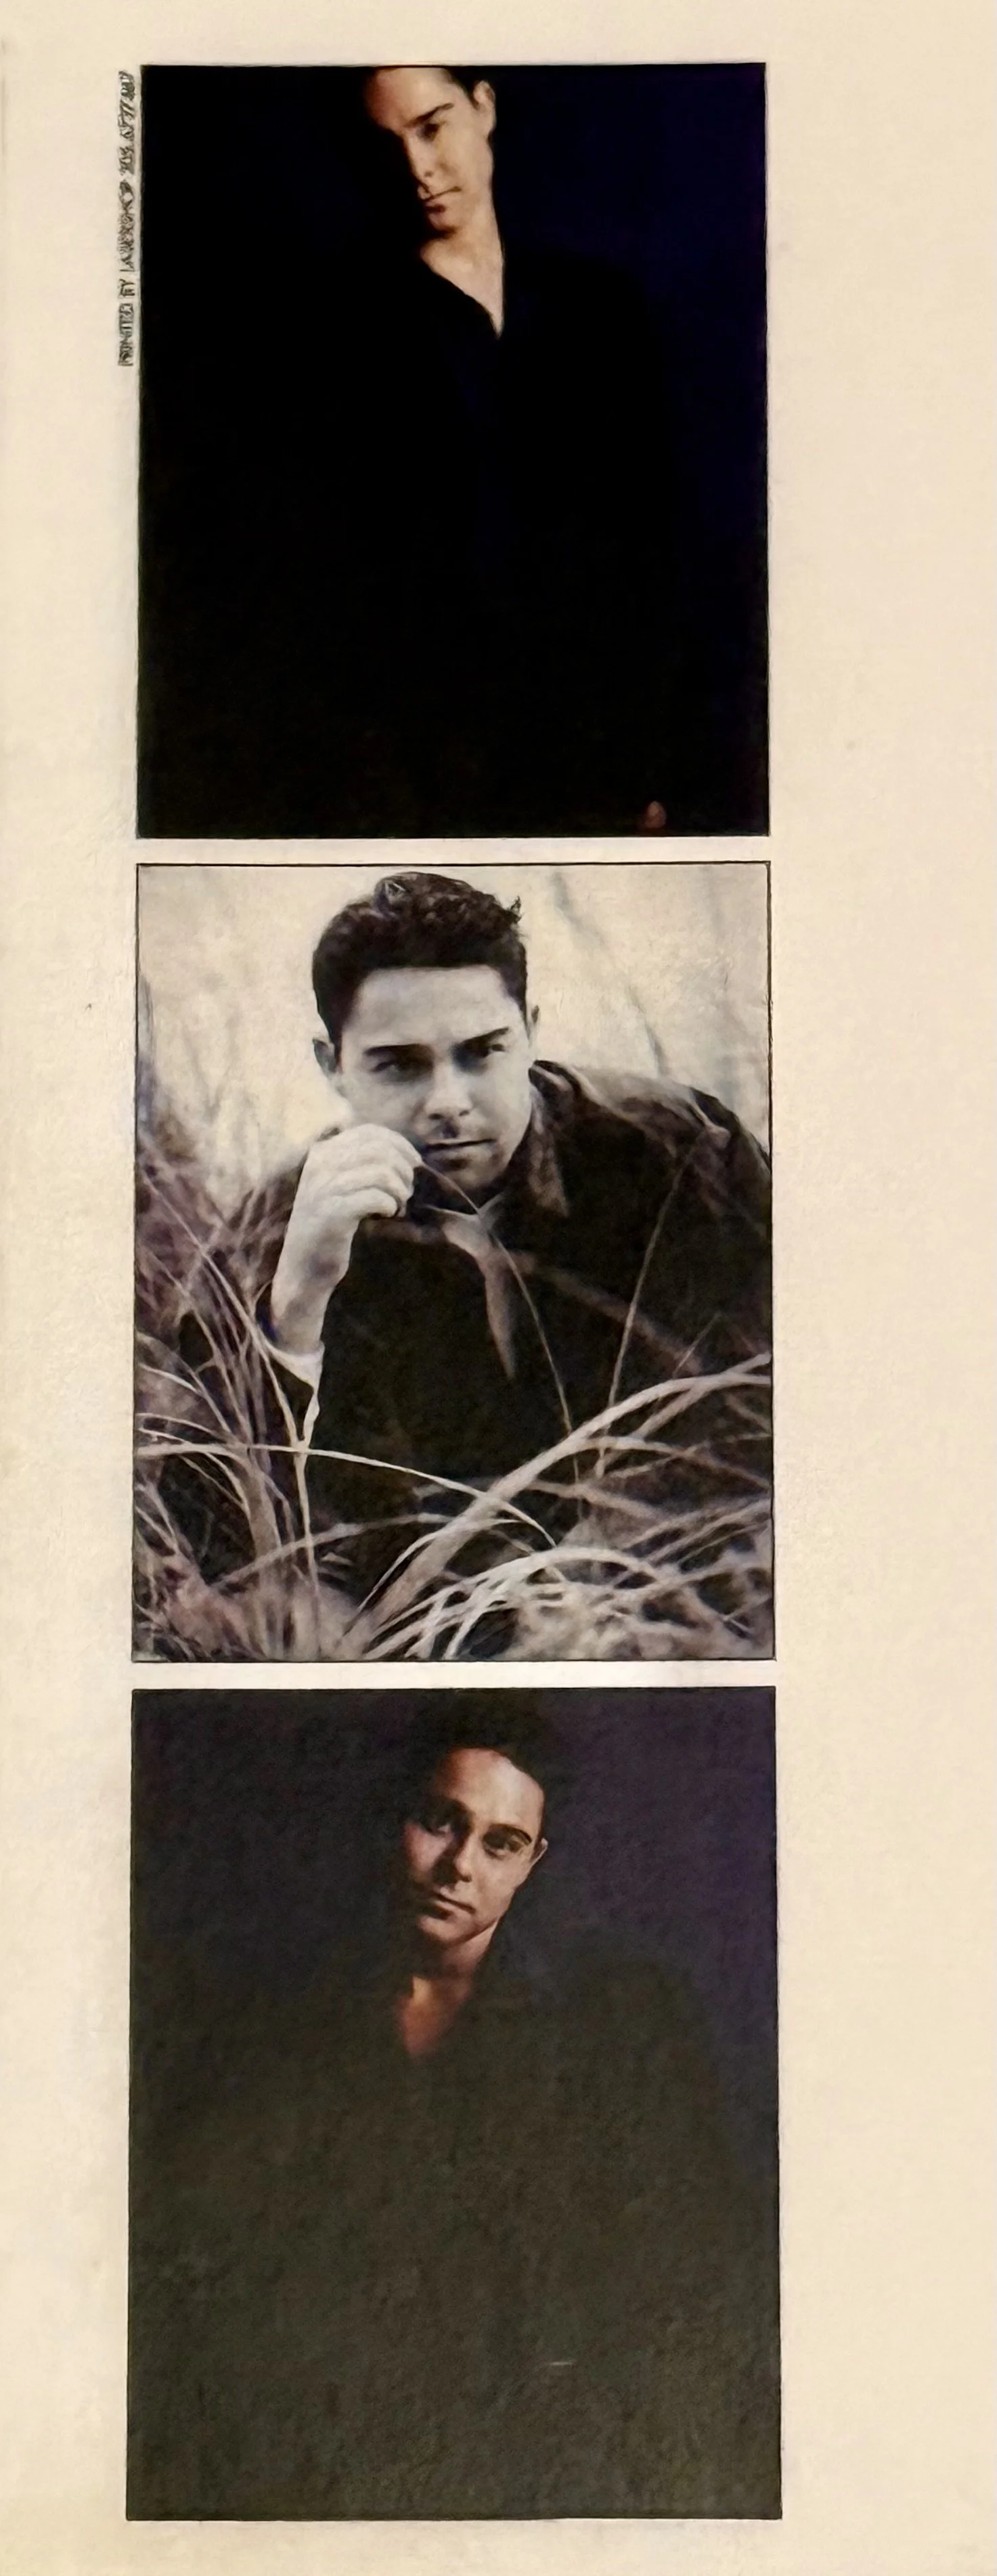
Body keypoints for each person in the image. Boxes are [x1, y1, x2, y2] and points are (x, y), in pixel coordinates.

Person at [127, 1703, 780, 2517]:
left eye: (499, 1842)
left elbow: (691, 2279)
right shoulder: (275, 2006)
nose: (459, 1864)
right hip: (316, 2457)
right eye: (442, 1821)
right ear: (399, 1816)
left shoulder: (618, 2014)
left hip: (542, 2461)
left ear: (533, 1861)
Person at [146, 871, 772, 1649]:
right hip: (416, 1640)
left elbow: (761, 1419)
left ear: (532, 1031)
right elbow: (217, 1545)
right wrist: (296, 1307)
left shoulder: (681, 1152)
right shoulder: (283, 1226)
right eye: (399, 1065)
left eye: (481, 1053)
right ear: (332, 1065)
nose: (449, 1098)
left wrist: (579, 1598)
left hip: (670, 1606)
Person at [139, 68, 678, 837]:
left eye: (433, 126)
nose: (418, 168)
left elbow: (650, 551)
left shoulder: (599, 312)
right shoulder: (331, 332)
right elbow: (314, 590)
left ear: (483, 107)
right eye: (386, 143)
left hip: (590, 755)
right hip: (419, 768)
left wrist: (647, 764)